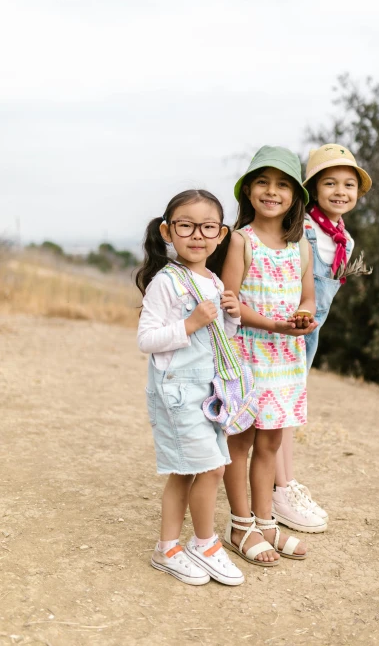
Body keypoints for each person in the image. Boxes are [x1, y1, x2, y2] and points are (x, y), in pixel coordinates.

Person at [136, 189, 245, 587]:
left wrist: (230, 317)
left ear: (220, 235)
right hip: (177, 393)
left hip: (207, 391)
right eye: (186, 225)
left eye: (208, 227)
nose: (197, 235)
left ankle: (172, 547)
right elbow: (146, 339)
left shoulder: (213, 280)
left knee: (189, 471)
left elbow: (217, 339)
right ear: (168, 231)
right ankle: (202, 543)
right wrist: (190, 323)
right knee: (209, 468)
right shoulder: (165, 283)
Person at [220, 146, 323, 567]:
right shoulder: (241, 240)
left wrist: (303, 318)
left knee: (271, 442)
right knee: (241, 442)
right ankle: (239, 525)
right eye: (262, 182)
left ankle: (266, 522)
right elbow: (230, 302)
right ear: (248, 191)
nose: (271, 191)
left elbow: (309, 298)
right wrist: (274, 325)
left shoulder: (300, 246)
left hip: (285, 361)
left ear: (296, 196)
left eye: (283, 184)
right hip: (248, 355)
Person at [273, 143, 373, 529]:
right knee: (280, 410)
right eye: (329, 182)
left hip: (310, 334)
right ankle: (281, 487)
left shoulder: (345, 241)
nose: (340, 191)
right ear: (313, 188)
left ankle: (284, 484)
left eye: (349, 184)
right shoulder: (302, 229)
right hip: (285, 327)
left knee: (290, 410)